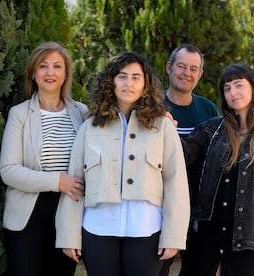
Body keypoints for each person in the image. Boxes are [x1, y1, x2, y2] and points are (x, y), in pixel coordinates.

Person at [55, 52, 190, 276]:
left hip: (146, 230)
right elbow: (75, 182)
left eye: (136, 77)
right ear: (111, 82)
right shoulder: (90, 126)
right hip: (98, 230)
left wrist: (174, 235)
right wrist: (68, 233)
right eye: (122, 76)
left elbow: (175, 183)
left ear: (145, 84)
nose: (129, 83)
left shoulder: (163, 127)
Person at [182, 63, 254, 275]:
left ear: (253, 88)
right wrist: (162, 127)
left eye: (239, 85)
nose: (233, 93)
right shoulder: (210, 130)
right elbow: (181, 156)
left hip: (248, 243)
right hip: (206, 240)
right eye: (227, 88)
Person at [0, 41, 88, 276]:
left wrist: (160, 119)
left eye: (57, 66)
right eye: (43, 66)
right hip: (29, 215)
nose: (50, 73)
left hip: (68, 211)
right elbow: (8, 170)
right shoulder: (19, 114)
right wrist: (56, 181)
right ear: (33, 73)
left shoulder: (82, 112)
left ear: (66, 73)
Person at [160, 44, 220, 276]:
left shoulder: (208, 109)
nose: (187, 73)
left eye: (193, 68)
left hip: (199, 209)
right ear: (169, 67)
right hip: (161, 205)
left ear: (200, 74)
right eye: (181, 66)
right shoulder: (151, 107)